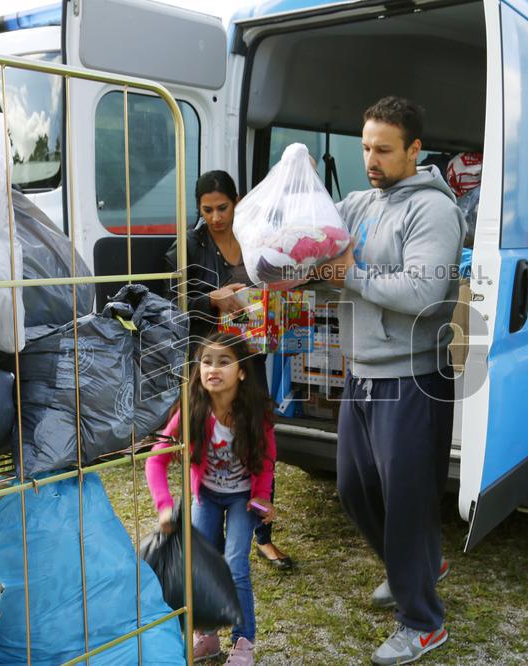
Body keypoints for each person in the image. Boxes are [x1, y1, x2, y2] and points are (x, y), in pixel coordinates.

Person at [322, 96, 465, 665]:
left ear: (414, 149)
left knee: (405, 501)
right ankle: (418, 566)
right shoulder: (358, 202)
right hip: (360, 372)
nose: (371, 159)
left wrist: (351, 275)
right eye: (365, 148)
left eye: (383, 149)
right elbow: (318, 254)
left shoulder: (432, 211)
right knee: (353, 488)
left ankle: (423, 621)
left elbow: (423, 295)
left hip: (411, 377)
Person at [165, 170, 294, 570]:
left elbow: (276, 281)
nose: (216, 217)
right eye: (207, 210)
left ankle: (262, 534)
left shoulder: (255, 235)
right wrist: (211, 301)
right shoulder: (188, 244)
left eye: (223, 207)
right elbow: (170, 300)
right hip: (211, 357)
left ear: (237, 202)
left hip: (251, 354)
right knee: (201, 436)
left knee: (257, 433)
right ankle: (198, 535)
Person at [145, 332, 278, 665]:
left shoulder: (255, 413)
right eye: (206, 361)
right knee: (200, 566)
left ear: (242, 372)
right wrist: (164, 506)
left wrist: (261, 497)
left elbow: (266, 460)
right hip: (205, 496)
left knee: (235, 565)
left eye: (224, 361)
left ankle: (243, 642)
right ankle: (206, 635)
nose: (213, 368)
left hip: (241, 499)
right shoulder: (192, 410)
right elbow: (155, 459)